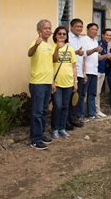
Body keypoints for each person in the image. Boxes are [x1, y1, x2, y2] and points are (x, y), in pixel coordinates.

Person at [28, 19, 54, 150]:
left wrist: (52, 82)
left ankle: (40, 134)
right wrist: (36, 45)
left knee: (43, 111)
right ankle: (35, 139)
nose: (48, 30)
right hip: (37, 83)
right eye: (46, 28)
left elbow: (51, 65)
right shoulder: (36, 42)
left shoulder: (50, 45)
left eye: (50, 28)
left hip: (47, 83)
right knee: (37, 112)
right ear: (39, 31)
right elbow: (29, 53)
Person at [51, 26, 77, 139]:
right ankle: (54, 129)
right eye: (59, 33)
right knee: (57, 106)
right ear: (55, 35)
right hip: (56, 83)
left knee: (65, 106)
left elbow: (74, 66)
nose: (62, 36)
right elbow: (52, 62)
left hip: (69, 83)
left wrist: (75, 81)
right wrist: (51, 82)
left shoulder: (70, 49)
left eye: (64, 34)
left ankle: (62, 128)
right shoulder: (51, 48)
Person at [67, 18, 85, 128]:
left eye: (81, 27)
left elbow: (82, 57)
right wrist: (76, 52)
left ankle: (74, 119)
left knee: (77, 98)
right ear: (71, 27)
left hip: (79, 72)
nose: (79, 28)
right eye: (77, 26)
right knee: (68, 98)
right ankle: (67, 121)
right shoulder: (67, 38)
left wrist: (84, 73)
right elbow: (64, 52)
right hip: (69, 72)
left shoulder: (82, 39)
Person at [81, 23, 101, 120]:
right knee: (83, 94)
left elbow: (96, 56)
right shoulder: (83, 40)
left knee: (92, 93)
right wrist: (94, 50)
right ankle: (80, 114)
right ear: (87, 30)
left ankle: (92, 113)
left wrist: (106, 56)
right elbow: (84, 54)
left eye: (96, 29)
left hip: (94, 70)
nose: (95, 31)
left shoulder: (95, 41)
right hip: (86, 71)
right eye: (93, 29)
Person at [96, 28, 111, 119]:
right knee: (97, 92)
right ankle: (96, 110)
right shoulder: (100, 44)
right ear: (102, 35)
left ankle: (97, 110)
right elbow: (98, 57)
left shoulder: (106, 45)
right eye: (107, 35)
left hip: (102, 71)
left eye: (110, 35)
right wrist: (106, 56)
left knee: (98, 92)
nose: (109, 37)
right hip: (97, 71)